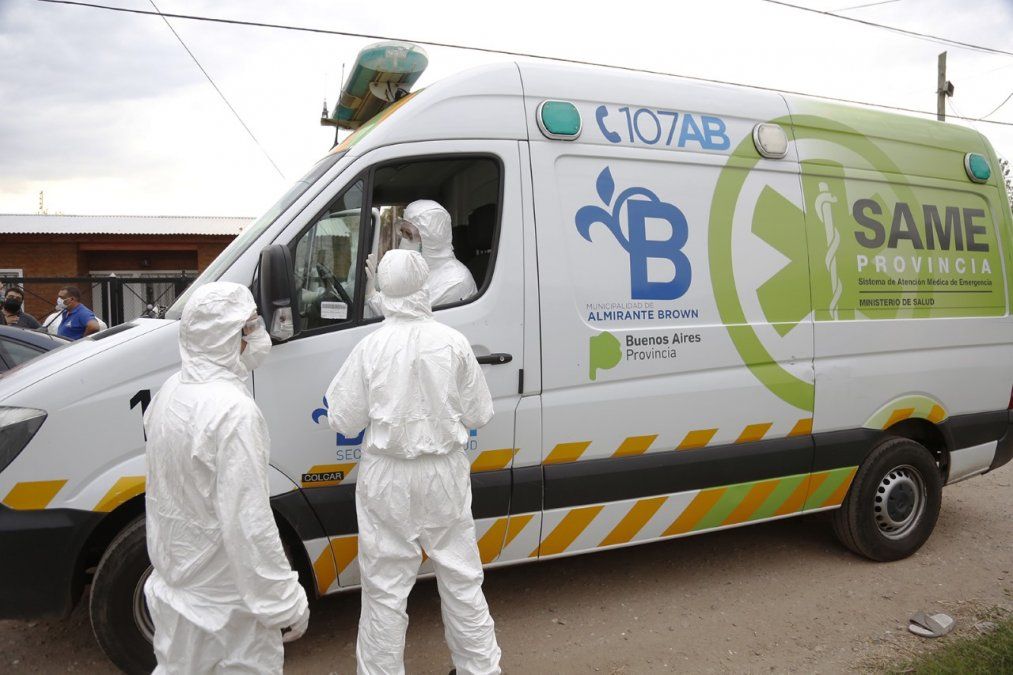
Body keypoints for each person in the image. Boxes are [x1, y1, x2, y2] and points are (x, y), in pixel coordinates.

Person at [326, 250, 501, 675]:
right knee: (462, 578)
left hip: (387, 475)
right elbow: (480, 413)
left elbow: (343, 419)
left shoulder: (369, 347)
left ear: (383, 288)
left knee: (384, 589)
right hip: (444, 472)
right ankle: (480, 669)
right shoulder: (453, 342)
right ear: (425, 283)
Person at [143, 282, 309, 674]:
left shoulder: (171, 391)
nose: (258, 334)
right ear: (227, 336)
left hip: (176, 590)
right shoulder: (232, 412)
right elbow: (248, 522)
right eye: (250, 326)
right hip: (227, 607)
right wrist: (283, 602)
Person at [365, 200, 478, 316]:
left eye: (409, 234)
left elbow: (404, 316)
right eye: (402, 232)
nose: (403, 240)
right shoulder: (418, 269)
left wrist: (372, 296)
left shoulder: (455, 281)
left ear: (432, 240)